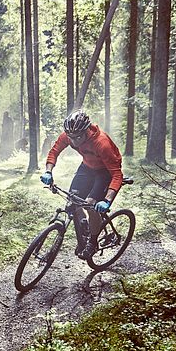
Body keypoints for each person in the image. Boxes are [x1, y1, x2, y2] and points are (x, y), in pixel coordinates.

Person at [40, 110, 124, 259]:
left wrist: (107, 200)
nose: (74, 141)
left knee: (90, 205)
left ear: (86, 130)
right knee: (72, 200)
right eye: (71, 137)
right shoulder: (70, 134)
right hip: (87, 167)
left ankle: (92, 242)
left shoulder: (101, 143)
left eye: (78, 137)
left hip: (105, 171)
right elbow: (54, 152)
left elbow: (117, 174)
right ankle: (85, 226)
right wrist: (48, 172)